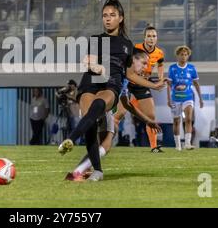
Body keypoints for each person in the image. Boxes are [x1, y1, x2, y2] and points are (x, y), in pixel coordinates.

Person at [58, 0, 165, 181]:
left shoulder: (127, 45)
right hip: (91, 80)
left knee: (99, 105)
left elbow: (131, 75)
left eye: (112, 15)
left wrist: (153, 85)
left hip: (111, 83)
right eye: (105, 16)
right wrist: (97, 67)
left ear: (121, 18)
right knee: (89, 121)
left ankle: (71, 139)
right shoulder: (96, 39)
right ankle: (96, 170)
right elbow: (87, 61)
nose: (108, 19)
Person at [65, 49, 162, 181]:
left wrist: (148, 121)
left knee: (99, 140)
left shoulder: (124, 77)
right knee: (107, 141)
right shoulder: (118, 70)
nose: (146, 67)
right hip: (97, 105)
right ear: (133, 59)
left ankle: (80, 170)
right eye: (144, 63)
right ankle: (81, 170)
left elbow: (126, 104)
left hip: (95, 106)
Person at [113, 26, 165, 153]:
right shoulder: (136, 49)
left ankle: (154, 147)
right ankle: (106, 142)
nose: (151, 39)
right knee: (120, 114)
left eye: (154, 36)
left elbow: (160, 65)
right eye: (149, 36)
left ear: (156, 38)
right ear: (144, 38)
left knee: (151, 116)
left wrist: (160, 78)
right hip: (129, 83)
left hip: (142, 85)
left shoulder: (159, 53)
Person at [167, 46, 203, 151]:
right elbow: (169, 85)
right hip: (175, 98)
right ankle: (178, 145)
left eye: (186, 54)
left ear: (188, 56)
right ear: (177, 56)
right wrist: (168, 99)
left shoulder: (191, 68)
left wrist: (200, 98)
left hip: (188, 97)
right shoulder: (172, 68)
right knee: (177, 121)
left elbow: (196, 84)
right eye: (181, 54)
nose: (183, 56)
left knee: (188, 119)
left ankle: (187, 143)